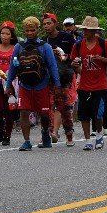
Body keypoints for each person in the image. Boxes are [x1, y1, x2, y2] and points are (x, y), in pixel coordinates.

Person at [5, 17, 61, 151]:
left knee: (44, 114)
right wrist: (8, 84)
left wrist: (57, 84)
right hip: (24, 85)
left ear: (37, 30)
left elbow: (53, 67)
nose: (30, 33)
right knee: (24, 112)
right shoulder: (19, 46)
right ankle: (27, 141)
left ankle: (45, 133)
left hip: (42, 84)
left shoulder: (45, 47)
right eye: (27, 30)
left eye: (32, 30)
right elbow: (13, 67)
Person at [70, 16, 107, 151]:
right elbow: (75, 64)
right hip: (84, 84)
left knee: (97, 113)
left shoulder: (103, 44)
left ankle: (99, 135)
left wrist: (101, 59)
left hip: (100, 84)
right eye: (84, 29)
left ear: (95, 31)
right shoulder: (78, 45)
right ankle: (87, 140)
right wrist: (74, 65)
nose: (85, 32)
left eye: (88, 30)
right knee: (84, 114)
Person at [41, 12, 76, 145]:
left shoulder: (67, 37)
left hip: (64, 77)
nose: (46, 26)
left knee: (64, 108)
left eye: (49, 23)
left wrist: (64, 56)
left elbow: (74, 56)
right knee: (47, 108)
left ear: (55, 23)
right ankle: (48, 134)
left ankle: (69, 135)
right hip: (48, 79)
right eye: (44, 24)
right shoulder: (43, 41)